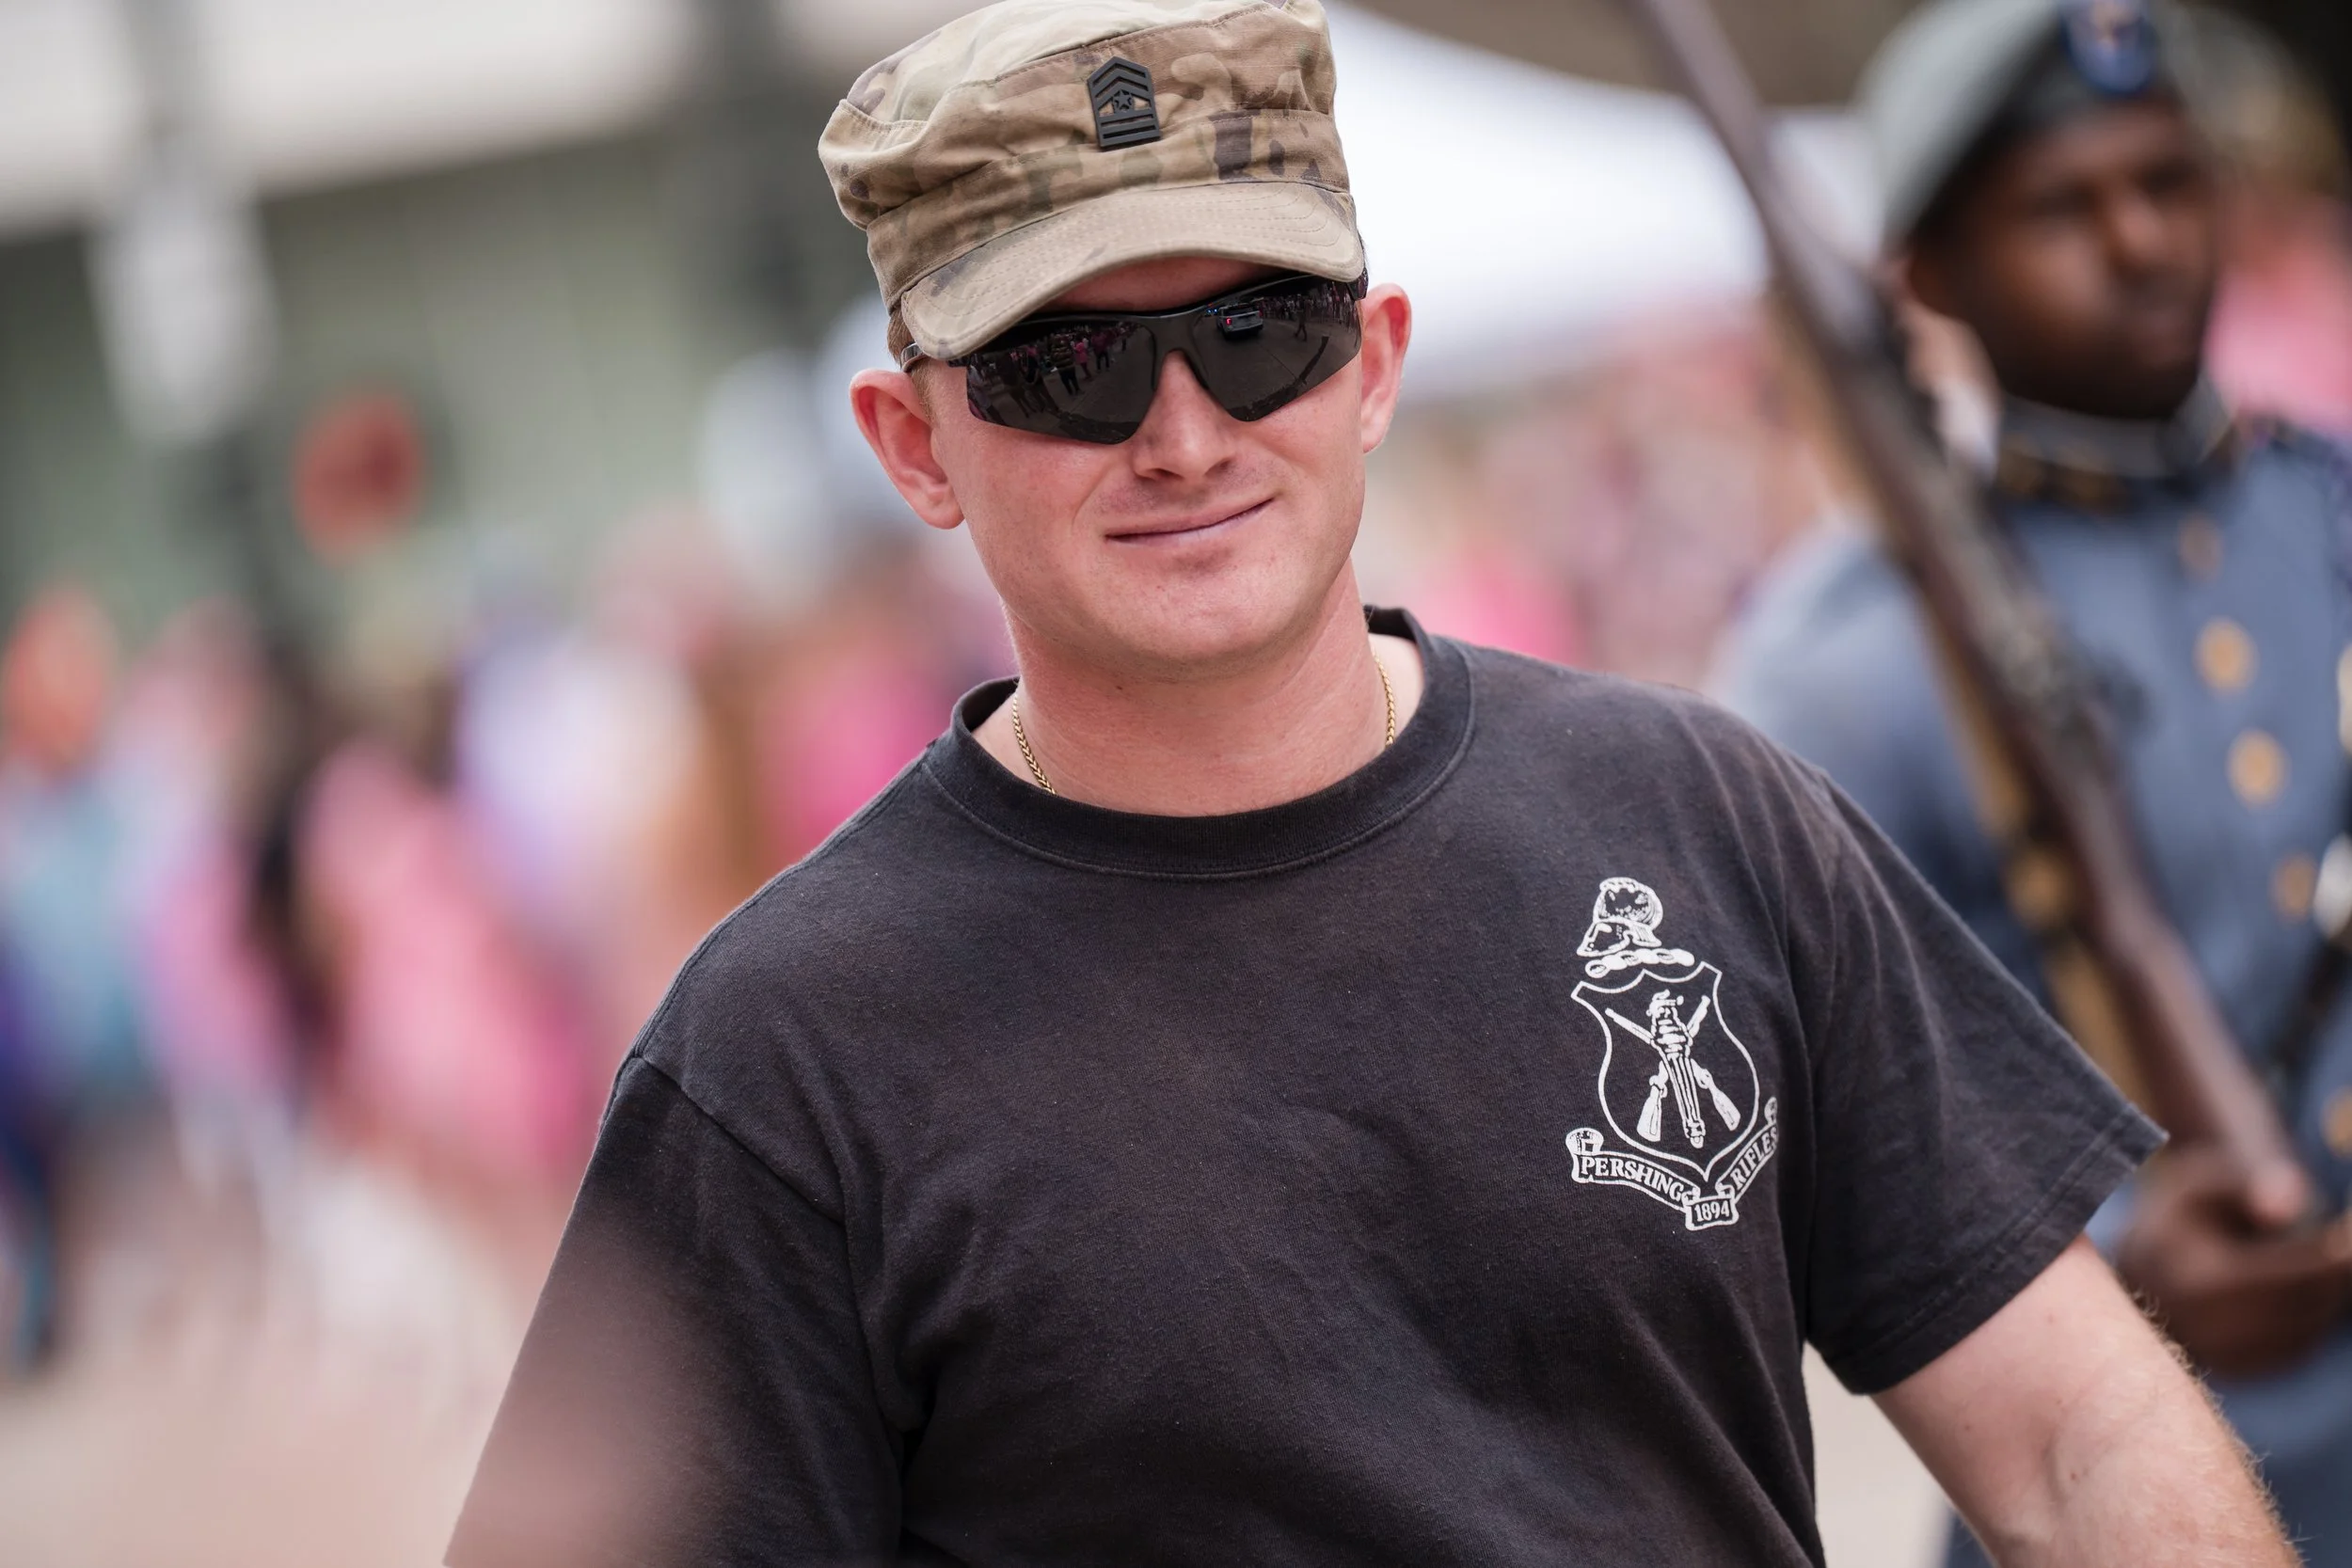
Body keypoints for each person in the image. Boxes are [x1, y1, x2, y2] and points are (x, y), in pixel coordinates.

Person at [450, 3, 2288, 1563]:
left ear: (1373, 361)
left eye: (1257, 334)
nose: (1181, 433)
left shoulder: (1700, 814)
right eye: (1066, 366)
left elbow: (2070, 1441)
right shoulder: (781, 1060)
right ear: (913, 440)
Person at [1716, 0, 2352, 1560]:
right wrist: (2117, 1253)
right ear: (1929, 274)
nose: (2141, 242)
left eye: (2168, 182)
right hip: (2128, 1480)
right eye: (2065, 206)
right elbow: (1790, 1125)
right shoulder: (1843, 662)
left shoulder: (2326, 511)